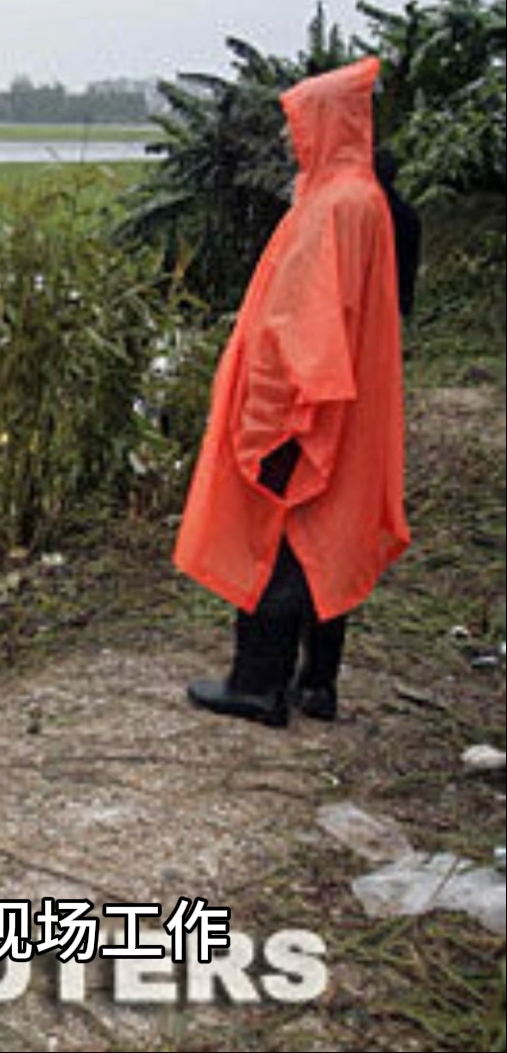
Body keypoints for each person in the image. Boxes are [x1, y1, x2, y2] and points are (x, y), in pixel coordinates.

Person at [175, 57, 409, 728]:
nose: (289, 140)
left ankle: (258, 684)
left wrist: (270, 422)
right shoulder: (358, 200)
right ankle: (317, 685)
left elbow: (300, 331)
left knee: (278, 539)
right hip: (344, 406)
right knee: (328, 534)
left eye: (298, 125)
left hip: (306, 410)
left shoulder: (333, 208)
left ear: (328, 124)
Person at [373, 147, 422, 322]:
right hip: (397, 298)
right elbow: (410, 263)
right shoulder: (408, 215)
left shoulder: (372, 213)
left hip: (377, 299)